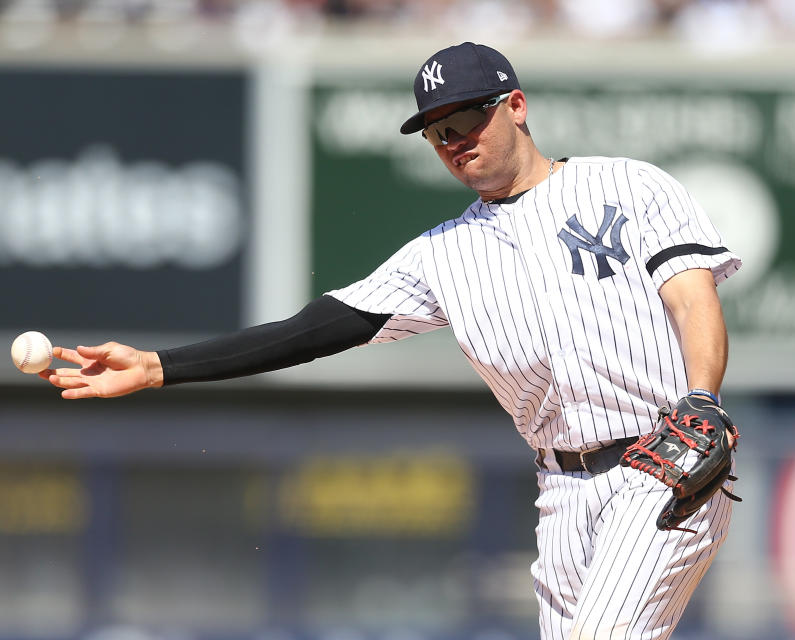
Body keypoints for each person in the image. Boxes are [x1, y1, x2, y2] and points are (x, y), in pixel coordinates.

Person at [42, 42, 741, 639]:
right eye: (437, 132)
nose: (455, 140)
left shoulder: (627, 185)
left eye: (468, 117)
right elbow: (313, 330)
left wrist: (703, 399)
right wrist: (161, 366)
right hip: (560, 490)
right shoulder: (440, 256)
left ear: (517, 107)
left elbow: (692, 296)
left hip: (666, 460)